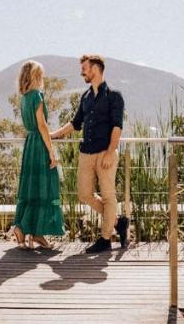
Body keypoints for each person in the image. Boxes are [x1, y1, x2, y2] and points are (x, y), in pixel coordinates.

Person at [51, 54, 128, 252]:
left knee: (109, 197)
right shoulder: (85, 97)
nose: (82, 72)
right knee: (84, 194)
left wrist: (111, 152)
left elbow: (117, 127)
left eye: (84, 68)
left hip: (105, 153)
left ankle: (105, 239)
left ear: (95, 69)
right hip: (86, 153)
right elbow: (75, 123)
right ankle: (118, 222)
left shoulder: (114, 96)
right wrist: (52, 135)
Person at [11, 60, 64, 249]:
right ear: (34, 76)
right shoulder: (37, 96)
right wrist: (51, 151)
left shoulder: (24, 97)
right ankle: (32, 231)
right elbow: (42, 125)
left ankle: (27, 231)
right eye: (40, 74)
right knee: (45, 187)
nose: (42, 78)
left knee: (31, 187)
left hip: (29, 145)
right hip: (39, 146)